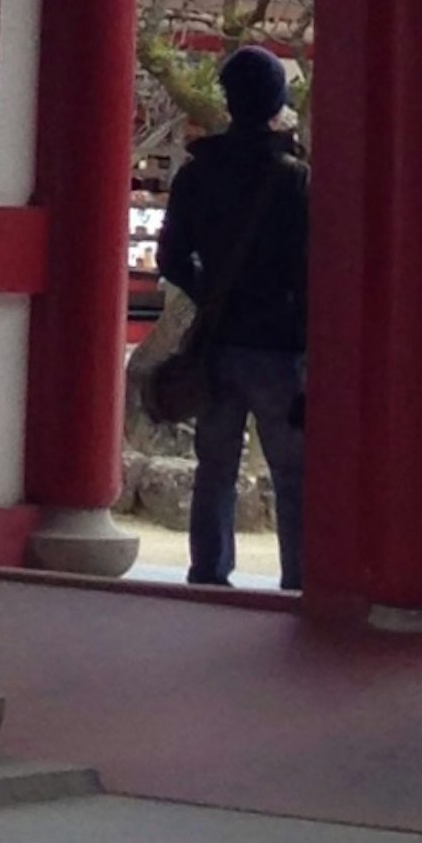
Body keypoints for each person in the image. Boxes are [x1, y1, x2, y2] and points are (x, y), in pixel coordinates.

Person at [155, 45, 307, 590]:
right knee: (293, 473)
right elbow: (310, 271)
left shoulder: (199, 174)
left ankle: (210, 572)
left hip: (217, 340)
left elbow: (171, 256)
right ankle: (298, 579)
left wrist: (210, 294)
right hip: (279, 342)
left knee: (214, 467)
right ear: (276, 101)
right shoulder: (293, 180)